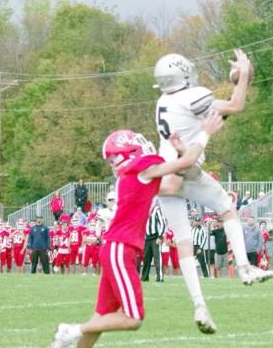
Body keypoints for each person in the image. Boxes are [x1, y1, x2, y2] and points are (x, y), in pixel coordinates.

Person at [49, 112, 223, 347]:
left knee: (101, 317)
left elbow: (173, 182)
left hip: (117, 247)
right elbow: (185, 164)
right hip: (121, 248)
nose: (112, 165)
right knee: (133, 318)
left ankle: (71, 335)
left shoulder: (135, 174)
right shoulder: (140, 168)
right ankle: (71, 330)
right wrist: (205, 133)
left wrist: (181, 150)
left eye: (112, 160)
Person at [152, 50, 273, 333]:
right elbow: (236, 105)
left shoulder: (164, 100)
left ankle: (199, 305)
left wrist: (239, 80)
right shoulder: (192, 97)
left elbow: (215, 109)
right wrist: (243, 75)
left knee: (183, 241)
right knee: (224, 205)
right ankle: (244, 267)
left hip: (164, 173)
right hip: (185, 168)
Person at [141, 200, 165, 282]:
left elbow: (162, 223)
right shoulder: (144, 209)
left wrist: (160, 236)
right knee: (146, 258)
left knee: (157, 258)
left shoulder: (156, 209)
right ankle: (144, 277)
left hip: (155, 237)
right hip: (147, 238)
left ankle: (160, 277)